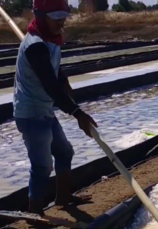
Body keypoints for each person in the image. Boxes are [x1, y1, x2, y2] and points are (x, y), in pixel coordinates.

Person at [14, 0, 97, 215]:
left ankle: (64, 198)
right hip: (31, 113)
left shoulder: (49, 39)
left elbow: (53, 69)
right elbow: (49, 84)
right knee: (42, 166)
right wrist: (77, 113)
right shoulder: (35, 45)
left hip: (44, 109)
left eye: (63, 16)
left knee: (64, 152)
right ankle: (34, 211)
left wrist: (64, 78)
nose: (61, 21)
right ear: (41, 16)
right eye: (55, 16)